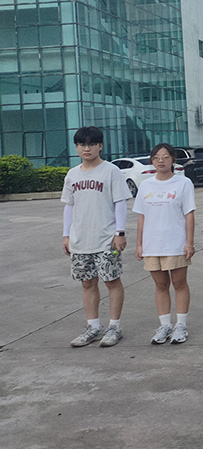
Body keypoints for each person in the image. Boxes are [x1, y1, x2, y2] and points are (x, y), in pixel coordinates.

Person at [61, 126, 131, 347]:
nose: (87, 148)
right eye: (82, 144)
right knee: (87, 283)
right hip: (80, 240)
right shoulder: (73, 174)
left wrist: (120, 232)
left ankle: (114, 327)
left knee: (111, 281)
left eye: (92, 144)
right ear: (76, 147)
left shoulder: (111, 171)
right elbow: (69, 206)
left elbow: (120, 202)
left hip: (106, 239)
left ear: (100, 146)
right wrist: (66, 235)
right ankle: (93, 326)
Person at [133, 143, 196, 345]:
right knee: (160, 285)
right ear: (152, 161)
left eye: (165, 157)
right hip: (152, 244)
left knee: (179, 284)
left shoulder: (183, 183)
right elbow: (141, 217)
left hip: (175, 243)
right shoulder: (146, 186)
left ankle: (181, 325)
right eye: (156, 157)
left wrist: (189, 243)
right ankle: (165, 325)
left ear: (173, 160)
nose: (161, 161)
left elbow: (189, 214)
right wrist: (139, 244)